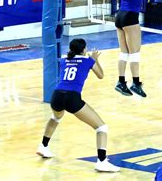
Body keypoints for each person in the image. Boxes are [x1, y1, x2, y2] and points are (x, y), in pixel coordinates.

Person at [36, 39, 119, 172]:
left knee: (56, 117)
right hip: (72, 98)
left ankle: (43, 145)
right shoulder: (88, 61)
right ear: (84, 49)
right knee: (101, 127)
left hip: (56, 96)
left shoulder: (64, 59)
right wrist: (94, 59)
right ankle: (102, 161)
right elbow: (101, 75)